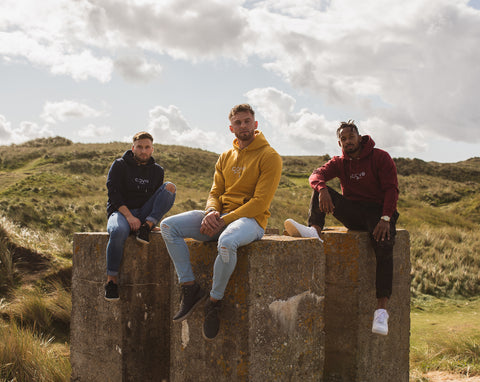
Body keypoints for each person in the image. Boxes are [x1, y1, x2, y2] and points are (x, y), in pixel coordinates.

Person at [160, 104, 282, 340]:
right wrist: (211, 212)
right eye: (238, 123)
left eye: (247, 121)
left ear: (255, 124)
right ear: (231, 127)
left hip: (250, 222)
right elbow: (215, 191)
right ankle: (190, 288)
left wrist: (222, 220)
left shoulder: (270, 156)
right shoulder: (226, 156)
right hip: (220, 217)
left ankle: (214, 302)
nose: (243, 126)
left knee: (226, 242)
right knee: (168, 226)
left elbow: (260, 202)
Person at [284, 120, 399, 336]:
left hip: (379, 213)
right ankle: (315, 231)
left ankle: (381, 311)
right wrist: (322, 189)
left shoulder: (380, 157)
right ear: (340, 143)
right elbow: (315, 175)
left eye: (351, 137)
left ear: (359, 137)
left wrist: (386, 218)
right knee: (319, 188)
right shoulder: (340, 162)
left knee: (384, 245)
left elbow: (392, 189)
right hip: (355, 212)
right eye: (343, 139)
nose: (348, 141)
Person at [104, 131, 176, 301]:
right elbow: (113, 194)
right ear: (133, 148)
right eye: (139, 147)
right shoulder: (119, 165)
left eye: (147, 147)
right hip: (121, 212)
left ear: (152, 149)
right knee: (117, 231)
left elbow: (157, 199)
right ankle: (111, 281)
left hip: (143, 215)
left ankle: (146, 228)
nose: (143, 151)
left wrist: (150, 221)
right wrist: (129, 217)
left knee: (170, 188)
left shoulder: (157, 171)